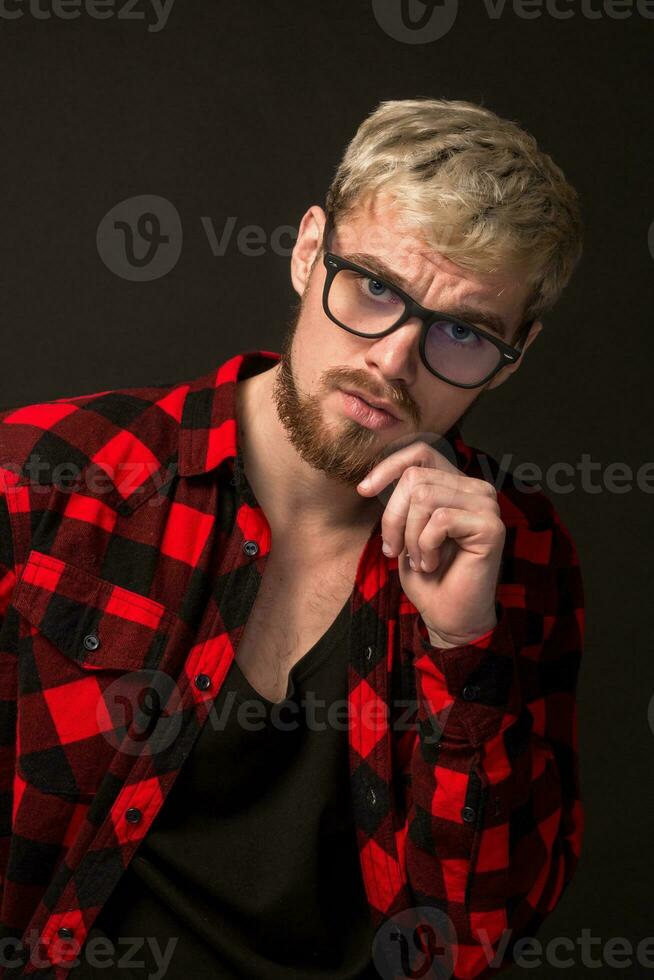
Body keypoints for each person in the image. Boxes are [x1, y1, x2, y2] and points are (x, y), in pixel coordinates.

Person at [0, 97, 585, 980]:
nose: (392, 362)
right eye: (376, 288)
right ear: (310, 250)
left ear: (517, 352)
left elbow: (478, 938)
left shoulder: (520, 557)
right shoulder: (51, 474)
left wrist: (462, 649)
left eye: (462, 332)